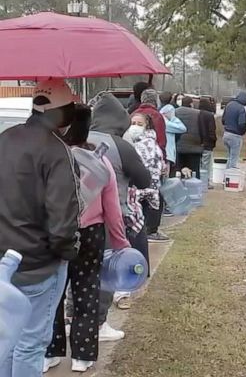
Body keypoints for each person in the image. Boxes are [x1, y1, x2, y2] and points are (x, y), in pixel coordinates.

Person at [0, 79, 81, 377]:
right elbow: (63, 219)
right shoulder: (57, 151)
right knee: (30, 343)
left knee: (6, 339)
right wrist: (68, 250)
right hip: (40, 264)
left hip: (4, 263)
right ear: (63, 113)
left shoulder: (5, 138)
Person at [44, 105, 130, 373]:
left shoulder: (50, 157)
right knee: (86, 291)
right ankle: (83, 355)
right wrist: (120, 244)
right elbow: (112, 209)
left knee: (52, 294)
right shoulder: (99, 161)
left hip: (54, 233)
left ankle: (51, 352)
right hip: (91, 234)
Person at [88, 92, 151, 340]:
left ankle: (73, 318)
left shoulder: (75, 140)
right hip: (108, 218)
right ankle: (99, 323)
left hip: (74, 218)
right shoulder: (120, 145)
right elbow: (144, 179)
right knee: (105, 271)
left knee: (79, 273)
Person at [124, 112, 167, 247]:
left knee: (150, 205)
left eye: (139, 124)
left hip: (147, 182)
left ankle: (150, 230)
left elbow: (155, 162)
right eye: (133, 123)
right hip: (133, 184)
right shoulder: (127, 140)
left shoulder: (149, 143)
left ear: (147, 126)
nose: (135, 127)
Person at [133, 89, 167, 160]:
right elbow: (161, 139)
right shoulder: (157, 116)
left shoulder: (134, 114)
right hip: (152, 156)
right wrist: (163, 157)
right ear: (156, 100)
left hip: (134, 155)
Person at [175, 96, 204, 178]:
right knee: (194, 171)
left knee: (179, 171)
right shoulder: (198, 113)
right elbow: (202, 129)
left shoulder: (175, 112)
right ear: (191, 104)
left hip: (178, 145)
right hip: (194, 145)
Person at [222, 91, 246, 168]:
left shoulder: (229, 105)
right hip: (235, 135)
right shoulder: (241, 109)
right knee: (234, 159)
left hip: (226, 134)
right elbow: (242, 124)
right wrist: (243, 132)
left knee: (229, 156)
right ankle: (230, 176)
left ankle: (225, 175)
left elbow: (223, 120)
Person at [160, 104, 187, 177]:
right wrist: (173, 118)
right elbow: (182, 128)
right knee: (165, 177)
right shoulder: (165, 123)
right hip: (166, 154)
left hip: (166, 153)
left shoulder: (165, 122)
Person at [198, 98, 217, 189]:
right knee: (206, 165)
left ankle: (198, 181)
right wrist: (213, 140)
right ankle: (205, 182)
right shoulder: (209, 115)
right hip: (207, 143)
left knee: (199, 164)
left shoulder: (196, 113)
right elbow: (211, 130)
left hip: (197, 143)